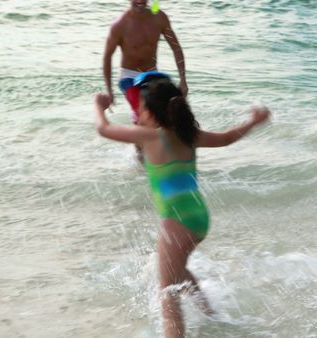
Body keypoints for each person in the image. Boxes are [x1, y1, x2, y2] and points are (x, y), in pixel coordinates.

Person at [94, 71, 271, 337]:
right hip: (198, 219)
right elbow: (226, 138)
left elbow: (103, 128)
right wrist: (253, 122)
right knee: (178, 272)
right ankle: (212, 316)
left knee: (167, 294)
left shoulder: (149, 137)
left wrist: (98, 106)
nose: (137, 113)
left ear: (152, 113)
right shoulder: (189, 135)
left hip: (176, 222)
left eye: (140, 108)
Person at [103, 0, 188, 124]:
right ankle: (141, 138)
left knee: (168, 114)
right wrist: (109, 90)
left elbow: (176, 48)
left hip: (152, 74)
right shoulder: (120, 24)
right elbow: (107, 57)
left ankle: (164, 142)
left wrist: (183, 80)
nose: (140, 1)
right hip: (129, 76)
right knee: (142, 114)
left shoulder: (159, 17)